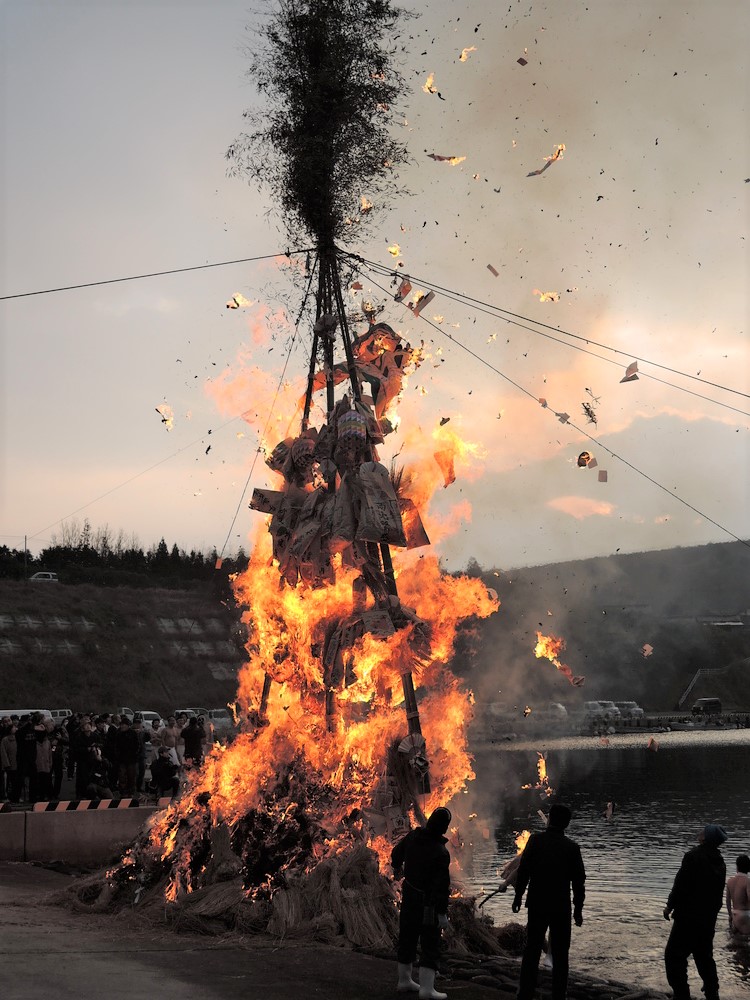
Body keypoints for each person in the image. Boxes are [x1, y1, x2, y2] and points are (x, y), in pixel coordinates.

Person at [512, 803, 586, 1000]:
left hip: (537, 903)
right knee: (561, 954)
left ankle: (525, 992)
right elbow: (579, 883)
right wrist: (578, 910)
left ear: (549, 819)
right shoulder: (572, 848)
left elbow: (524, 872)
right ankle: (559, 995)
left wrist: (518, 896)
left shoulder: (535, 841)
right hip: (561, 907)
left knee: (532, 949)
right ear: (567, 824)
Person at [390, 806, 452, 1000]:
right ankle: (426, 989)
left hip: (409, 896)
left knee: (407, 936)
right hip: (429, 905)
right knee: (430, 941)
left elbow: (395, 854)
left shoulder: (412, 837)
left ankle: (404, 981)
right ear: (443, 828)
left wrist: (397, 868)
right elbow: (441, 888)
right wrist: (442, 914)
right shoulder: (441, 852)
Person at [663, 823, 728, 1000]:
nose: (700, 832)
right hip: (707, 921)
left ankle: (682, 995)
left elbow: (681, 885)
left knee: (674, 957)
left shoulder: (693, 857)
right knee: (704, 957)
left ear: (706, 838)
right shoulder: (720, 862)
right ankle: (712, 994)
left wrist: (670, 905)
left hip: (687, 918)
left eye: (703, 831)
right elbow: (717, 897)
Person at [726, 853, 750, 936]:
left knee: (735, 943)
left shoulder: (730, 881)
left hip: (734, 914)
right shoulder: (747, 881)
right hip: (745, 915)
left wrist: (730, 915)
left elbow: (728, 901)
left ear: (737, 866)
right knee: (746, 944)